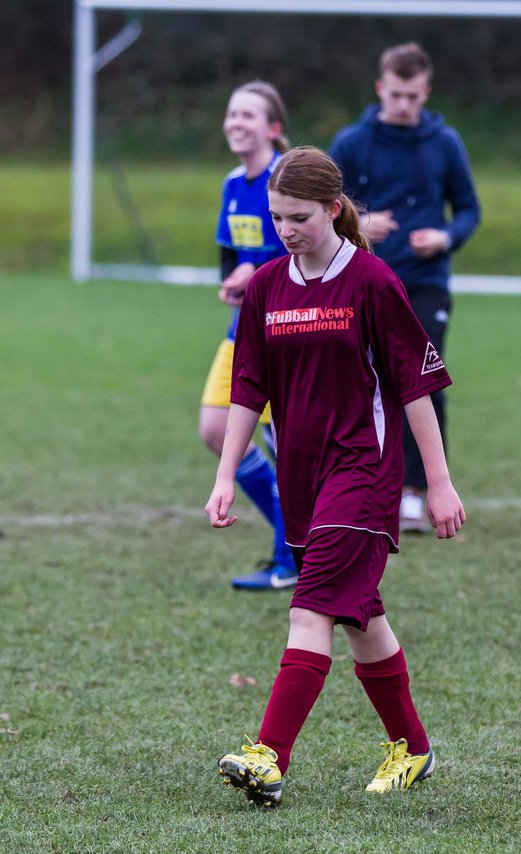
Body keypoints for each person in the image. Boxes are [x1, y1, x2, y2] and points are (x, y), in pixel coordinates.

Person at [205, 146, 466, 807]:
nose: (285, 229)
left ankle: (270, 756)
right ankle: (413, 747)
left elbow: (416, 388)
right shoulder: (266, 285)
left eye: (297, 217)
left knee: (312, 606)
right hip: (300, 476)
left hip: (363, 471)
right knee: (360, 617)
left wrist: (437, 482)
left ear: (331, 208)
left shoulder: (374, 283)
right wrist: (226, 473)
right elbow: (247, 387)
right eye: (275, 218)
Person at [329, 42, 480, 532]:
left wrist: (446, 236)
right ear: (380, 89)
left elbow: (470, 210)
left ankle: (418, 490)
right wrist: (361, 226)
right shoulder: (352, 142)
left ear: (426, 92)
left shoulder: (445, 142)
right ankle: (369, 484)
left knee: (423, 381)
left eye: (413, 96)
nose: (404, 105)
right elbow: (322, 208)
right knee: (364, 382)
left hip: (425, 283)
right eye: (396, 94)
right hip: (365, 280)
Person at [201, 81, 298, 590]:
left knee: (286, 444)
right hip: (243, 329)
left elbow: (301, 253)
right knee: (215, 431)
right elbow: (230, 254)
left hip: (289, 331)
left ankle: (290, 560)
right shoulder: (233, 184)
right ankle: (290, 543)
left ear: (273, 128)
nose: (236, 122)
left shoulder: (289, 182)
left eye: (248, 115)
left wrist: (252, 273)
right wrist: (234, 282)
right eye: (231, 113)